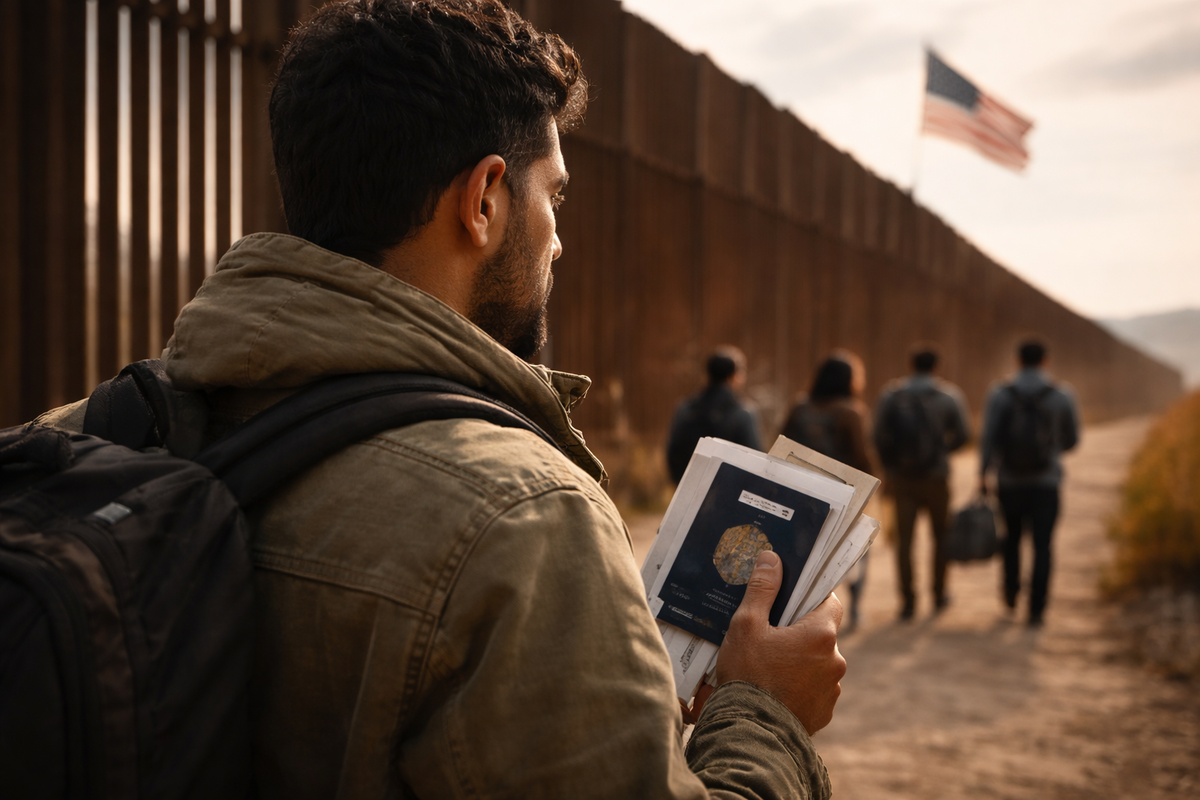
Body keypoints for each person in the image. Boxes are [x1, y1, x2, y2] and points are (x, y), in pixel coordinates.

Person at [34, 2, 844, 797]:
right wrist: (764, 711)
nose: (559, 236)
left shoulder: (72, 441)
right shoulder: (523, 522)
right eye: (553, 196)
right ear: (485, 200)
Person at [979, 338, 1080, 626]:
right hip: (1046, 482)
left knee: (1011, 540)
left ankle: (1011, 592)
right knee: (1043, 545)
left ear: (1016, 360)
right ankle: (1037, 610)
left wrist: (982, 473)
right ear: (1046, 361)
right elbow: (1072, 440)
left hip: (1009, 481)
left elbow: (989, 438)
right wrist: (1051, 448)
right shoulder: (1061, 394)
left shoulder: (1000, 393)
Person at [781, 351, 879, 631]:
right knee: (854, 550)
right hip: (843, 496)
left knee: (804, 553)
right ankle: (854, 609)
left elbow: (782, 445)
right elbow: (862, 457)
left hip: (802, 492)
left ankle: (802, 609)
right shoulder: (851, 411)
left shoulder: (800, 407)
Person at [874, 344, 971, 620]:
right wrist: (940, 453)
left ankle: (908, 602)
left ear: (910, 365)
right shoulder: (949, 396)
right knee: (941, 537)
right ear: (936, 367)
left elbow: (879, 436)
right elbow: (963, 435)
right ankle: (939, 594)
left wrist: (892, 467)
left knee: (904, 542)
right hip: (937, 478)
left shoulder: (891, 395)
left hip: (902, 480)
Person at [666, 346, 762, 483]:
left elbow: (673, 453)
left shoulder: (686, 409)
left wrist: (683, 484)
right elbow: (755, 462)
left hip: (689, 488)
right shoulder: (743, 413)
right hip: (728, 493)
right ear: (732, 377)